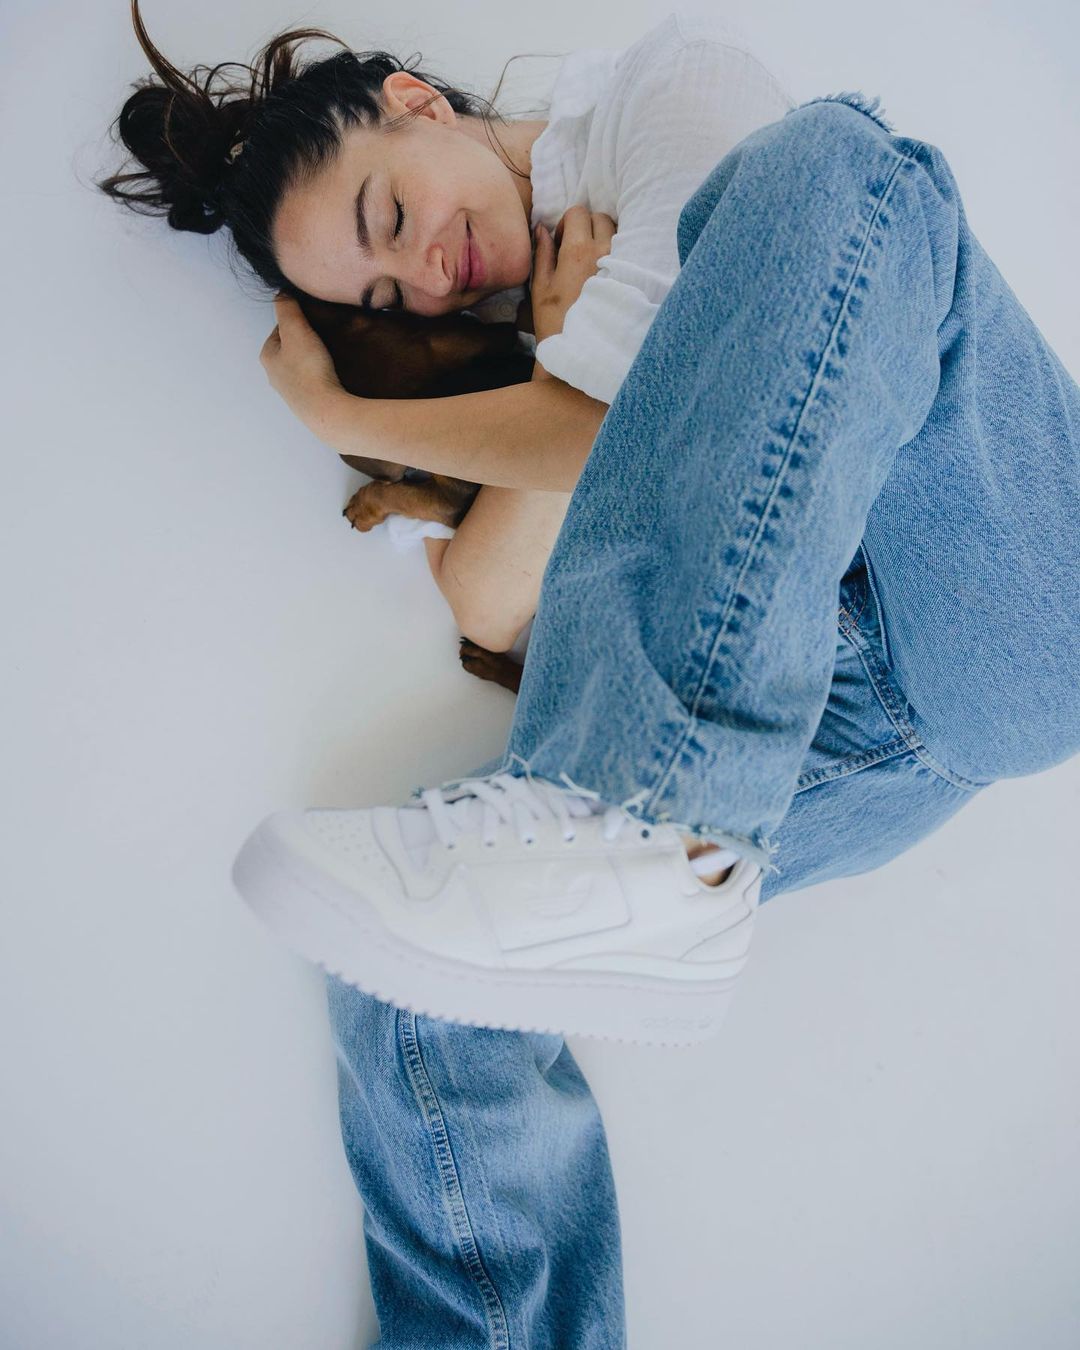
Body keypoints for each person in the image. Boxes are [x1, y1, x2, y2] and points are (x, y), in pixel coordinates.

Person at [99, 6, 1080, 1344]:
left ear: (418, 103)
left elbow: (610, 426)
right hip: (849, 716)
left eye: (391, 215)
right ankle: (654, 855)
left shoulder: (666, 92)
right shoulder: (520, 358)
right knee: (412, 964)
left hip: (996, 557)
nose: (426, 279)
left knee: (839, 160)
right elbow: (486, 598)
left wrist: (344, 411)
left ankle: (659, 819)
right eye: (381, 302)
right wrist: (562, 371)